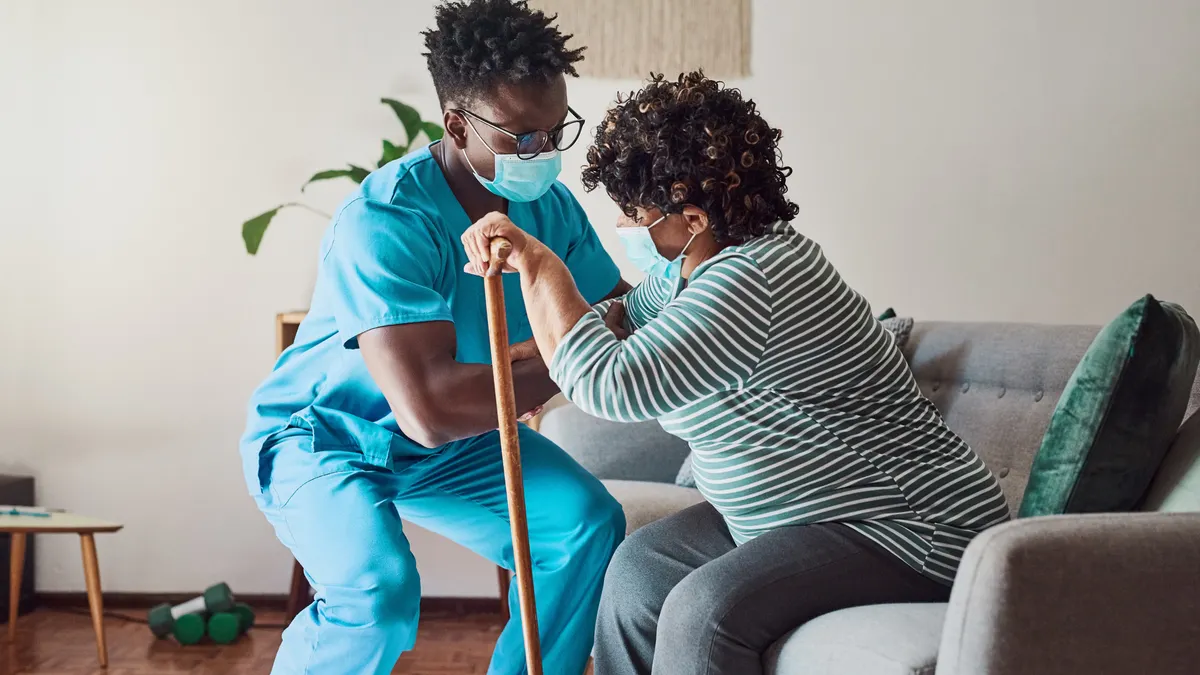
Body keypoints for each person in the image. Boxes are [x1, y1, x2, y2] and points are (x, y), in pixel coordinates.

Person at [461, 71, 1012, 675]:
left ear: (692, 217)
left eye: (636, 212)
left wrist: (542, 267)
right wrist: (532, 352)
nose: (627, 227)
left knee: (706, 613)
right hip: (796, 517)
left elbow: (610, 384)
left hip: (906, 527)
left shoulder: (753, 278)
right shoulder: (695, 267)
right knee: (638, 571)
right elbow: (623, 318)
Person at [239, 2, 631, 673]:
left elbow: (618, 310)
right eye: (521, 138)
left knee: (584, 525)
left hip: (452, 448)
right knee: (380, 594)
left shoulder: (550, 208)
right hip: (326, 436)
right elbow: (430, 407)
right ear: (456, 124)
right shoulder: (388, 217)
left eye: (555, 130)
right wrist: (573, 360)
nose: (543, 153)